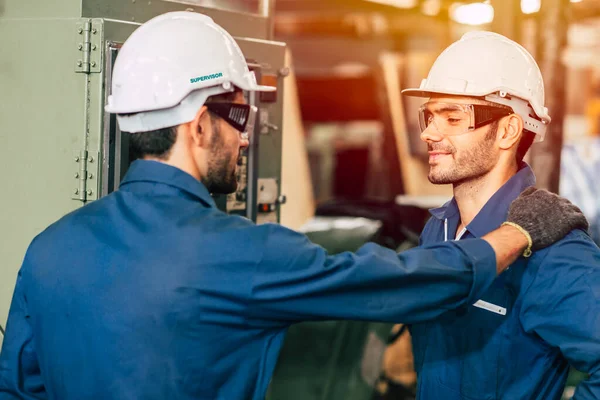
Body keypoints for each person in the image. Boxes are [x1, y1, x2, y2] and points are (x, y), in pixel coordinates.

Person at [0, 14, 587, 400]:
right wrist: (514, 237)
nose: (248, 138)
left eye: (449, 115)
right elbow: (400, 283)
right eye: (239, 119)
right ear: (200, 124)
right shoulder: (241, 255)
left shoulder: (49, 248)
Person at [402, 31, 600, 400]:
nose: (429, 132)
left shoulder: (554, 253)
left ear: (508, 130)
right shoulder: (437, 228)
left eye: (452, 117)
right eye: (429, 116)